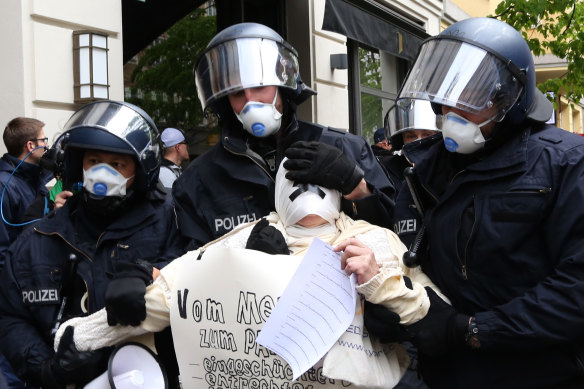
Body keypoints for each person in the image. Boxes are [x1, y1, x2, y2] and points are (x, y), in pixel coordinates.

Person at [52, 158, 444, 388]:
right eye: (295, 182)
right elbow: (170, 297)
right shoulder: (243, 239)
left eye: (317, 182)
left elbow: (432, 312)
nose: (307, 192)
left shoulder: (374, 240)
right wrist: (81, 334)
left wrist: (383, 286)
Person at [366, 17, 584, 388]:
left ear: (508, 100)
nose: (452, 112)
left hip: (539, 375)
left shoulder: (565, 163)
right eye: (447, 97)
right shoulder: (422, 169)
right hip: (443, 375)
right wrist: (390, 305)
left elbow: (575, 288)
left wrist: (469, 330)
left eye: (471, 97)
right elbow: (404, 253)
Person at [0, 100, 187, 388]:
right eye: (93, 161)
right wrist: (46, 368)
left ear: (137, 171)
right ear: (78, 166)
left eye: (116, 164)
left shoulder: (170, 220)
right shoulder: (41, 237)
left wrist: (149, 274)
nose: (102, 172)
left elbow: (192, 269)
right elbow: (11, 313)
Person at [173, 22, 395, 248]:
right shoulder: (200, 179)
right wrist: (242, 259)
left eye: (260, 86)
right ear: (225, 102)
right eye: (238, 93)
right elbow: (189, 265)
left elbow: (393, 236)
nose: (250, 101)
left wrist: (355, 185)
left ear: (282, 85)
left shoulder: (344, 146)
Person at [0, 117, 50, 264]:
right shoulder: (4, 185)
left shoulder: (34, 178)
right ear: (30, 146)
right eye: (43, 140)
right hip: (15, 280)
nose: (47, 145)